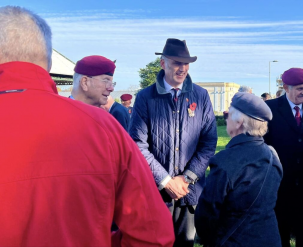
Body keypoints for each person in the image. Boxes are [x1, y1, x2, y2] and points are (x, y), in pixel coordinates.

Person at [0, 6, 174, 247]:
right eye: (106, 80)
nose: (111, 88)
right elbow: (154, 233)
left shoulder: (112, 119)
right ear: (48, 61)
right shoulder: (104, 128)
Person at [129, 38, 217, 247]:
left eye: (186, 63)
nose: (182, 68)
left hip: (190, 191)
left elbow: (209, 141)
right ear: (163, 63)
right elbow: (137, 144)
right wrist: (166, 181)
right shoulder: (145, 97)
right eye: (177, 62)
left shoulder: (201, 95)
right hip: (156, 192)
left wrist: (186, 178)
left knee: (185, 243)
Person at [195, 93, 283, 247]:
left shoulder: (225, 161)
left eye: (228, 114)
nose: (226, 118)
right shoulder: (272, 154)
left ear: (239, 121)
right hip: (270, 239)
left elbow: (206, 215)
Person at [264, 68, 303, 247]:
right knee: (280, 235)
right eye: (300, 88)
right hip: (279, 187)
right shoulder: (270, 109)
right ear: (285, 87)